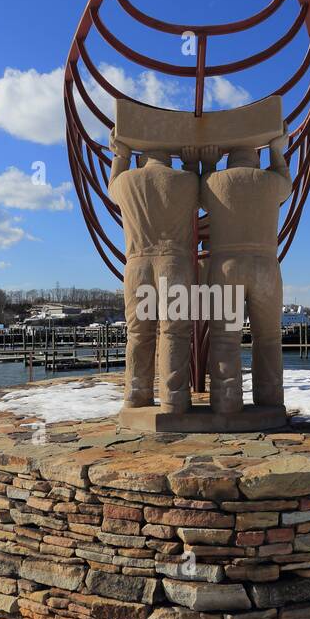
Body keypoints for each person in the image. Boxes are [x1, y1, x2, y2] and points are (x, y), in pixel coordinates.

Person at [108, 131, 199, 412]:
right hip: (175, 264)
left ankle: (136, 396)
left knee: (138, 334)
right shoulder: (187, 181)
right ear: (170, 157)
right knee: (175, 333)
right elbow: (207, 195)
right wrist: (193, 163)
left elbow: (112, 187)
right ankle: (174, 399)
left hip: (137, 266)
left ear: (140, 156)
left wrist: (119, 157)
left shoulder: (125, 181)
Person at [199, 136, 290, 413]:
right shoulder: (272, 182)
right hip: (265, 265)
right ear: (256, 158)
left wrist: (209, 161)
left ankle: (226, 400)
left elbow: (199, 193)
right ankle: (270, 398)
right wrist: (277, 151)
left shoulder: (215, 182)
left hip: (227, 264)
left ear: (229, 158)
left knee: (225, 338)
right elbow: (286, 182)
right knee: (269, 338)